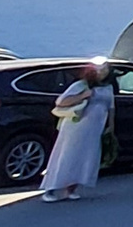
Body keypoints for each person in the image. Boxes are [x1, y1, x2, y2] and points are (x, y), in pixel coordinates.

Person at [39, 61, 114, 203]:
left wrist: (110, 126)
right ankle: (51, 188)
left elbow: (111, 107)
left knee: (85, 156)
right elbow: (61, 102)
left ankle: (71, 189)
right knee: (67, 155)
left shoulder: (108, 88)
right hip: (76, 127)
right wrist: (83, 95)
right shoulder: (81, 85)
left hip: (94, 128)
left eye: (106, 70)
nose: (103, 72)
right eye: (100, 69)